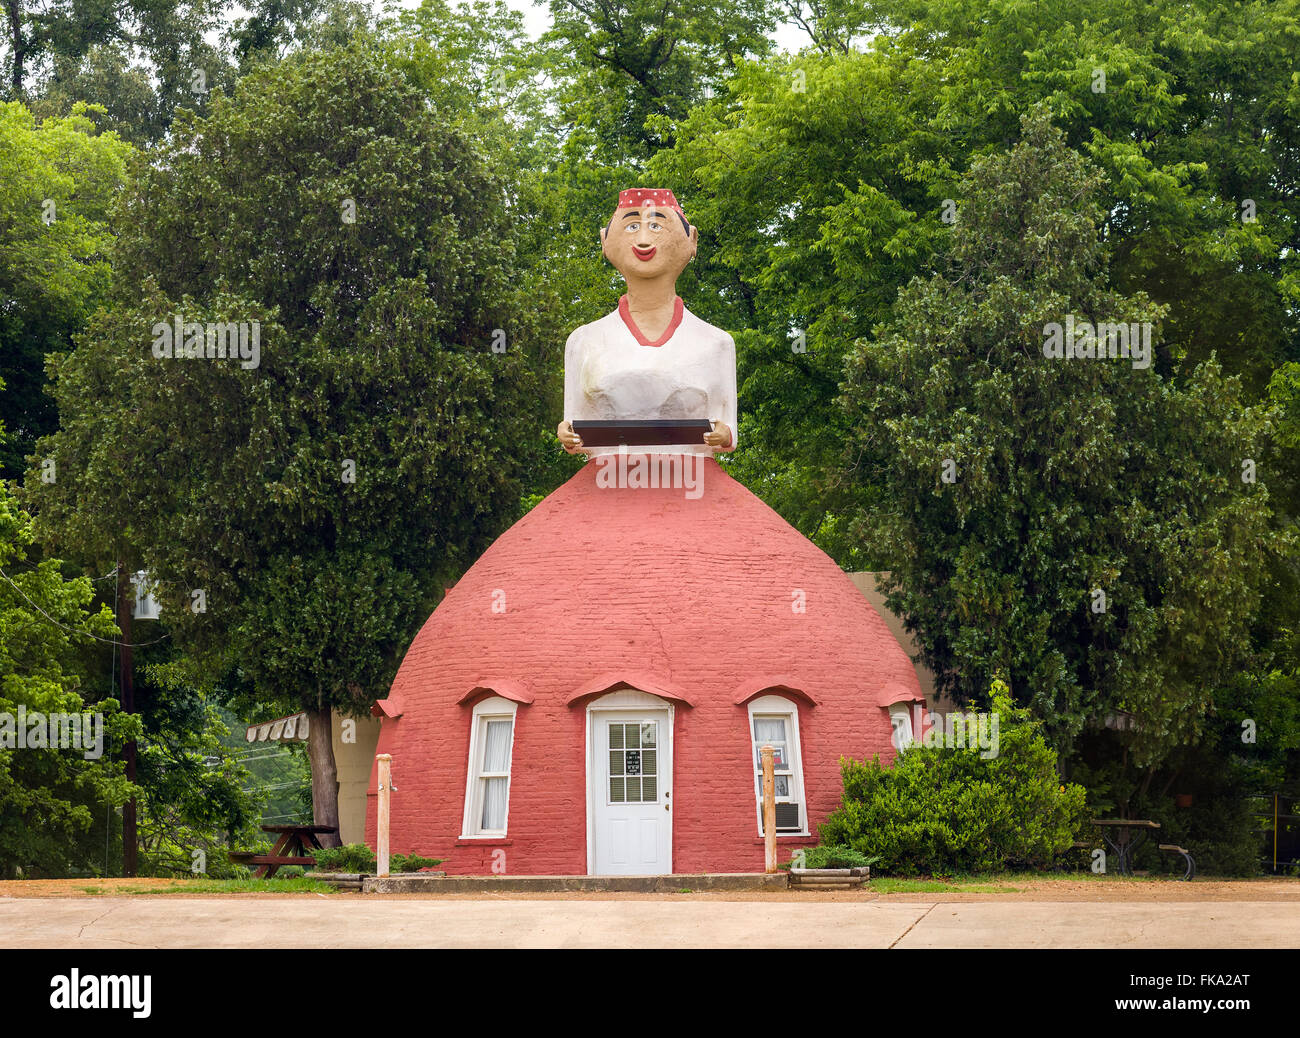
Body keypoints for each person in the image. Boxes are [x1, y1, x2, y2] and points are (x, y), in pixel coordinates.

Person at [556, 189, 737, 457]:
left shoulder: (717, 342)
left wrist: (725, 434)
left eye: (656, 225)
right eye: (631, 226)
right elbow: (571, 433)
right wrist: (567, 434)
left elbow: (729, 432)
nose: (643, 241)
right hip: (607, 480)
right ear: (605, 240)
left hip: (691, 479)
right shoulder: (583, 340)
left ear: (691, 239)